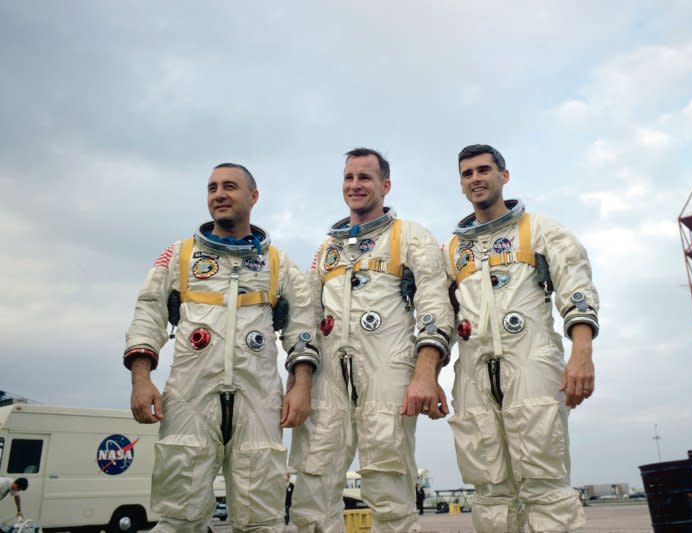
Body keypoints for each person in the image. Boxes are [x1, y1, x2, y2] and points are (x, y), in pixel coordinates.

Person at [124, 163, 319, 533]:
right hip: (190, 395)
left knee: (261, 516)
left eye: (230, 186)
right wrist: (141, 378)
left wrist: (301, 384)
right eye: (212, 187)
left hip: (259, 398)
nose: (219, 194)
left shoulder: (278, 263)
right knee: (179, 513)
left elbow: (303, 325)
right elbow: (147, 311)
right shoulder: (179, 256)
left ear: (253, 197)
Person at [289, 148, 454, 533]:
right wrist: (299, 382)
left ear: (385, 185)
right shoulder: (327, 250)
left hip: (388, 370)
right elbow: (305, 318)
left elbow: (434, 304)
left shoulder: (408, 236)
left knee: (388, 483)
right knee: (312, 484)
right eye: (349, 178)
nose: (355, 185)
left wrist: (425, 373)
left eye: (365, 178)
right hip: (329, 376)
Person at [444, 145, 598, 532]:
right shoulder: (452, 250)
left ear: (504, 176)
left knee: (545, 483)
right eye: (467, 174)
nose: (475, 179)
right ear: (461, 185)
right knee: (490, 490)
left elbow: (575, 290)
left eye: (483, 170)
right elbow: (439, 316)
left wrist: (581, 353)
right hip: (475, 373)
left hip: (531, 361)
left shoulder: (538, 230)